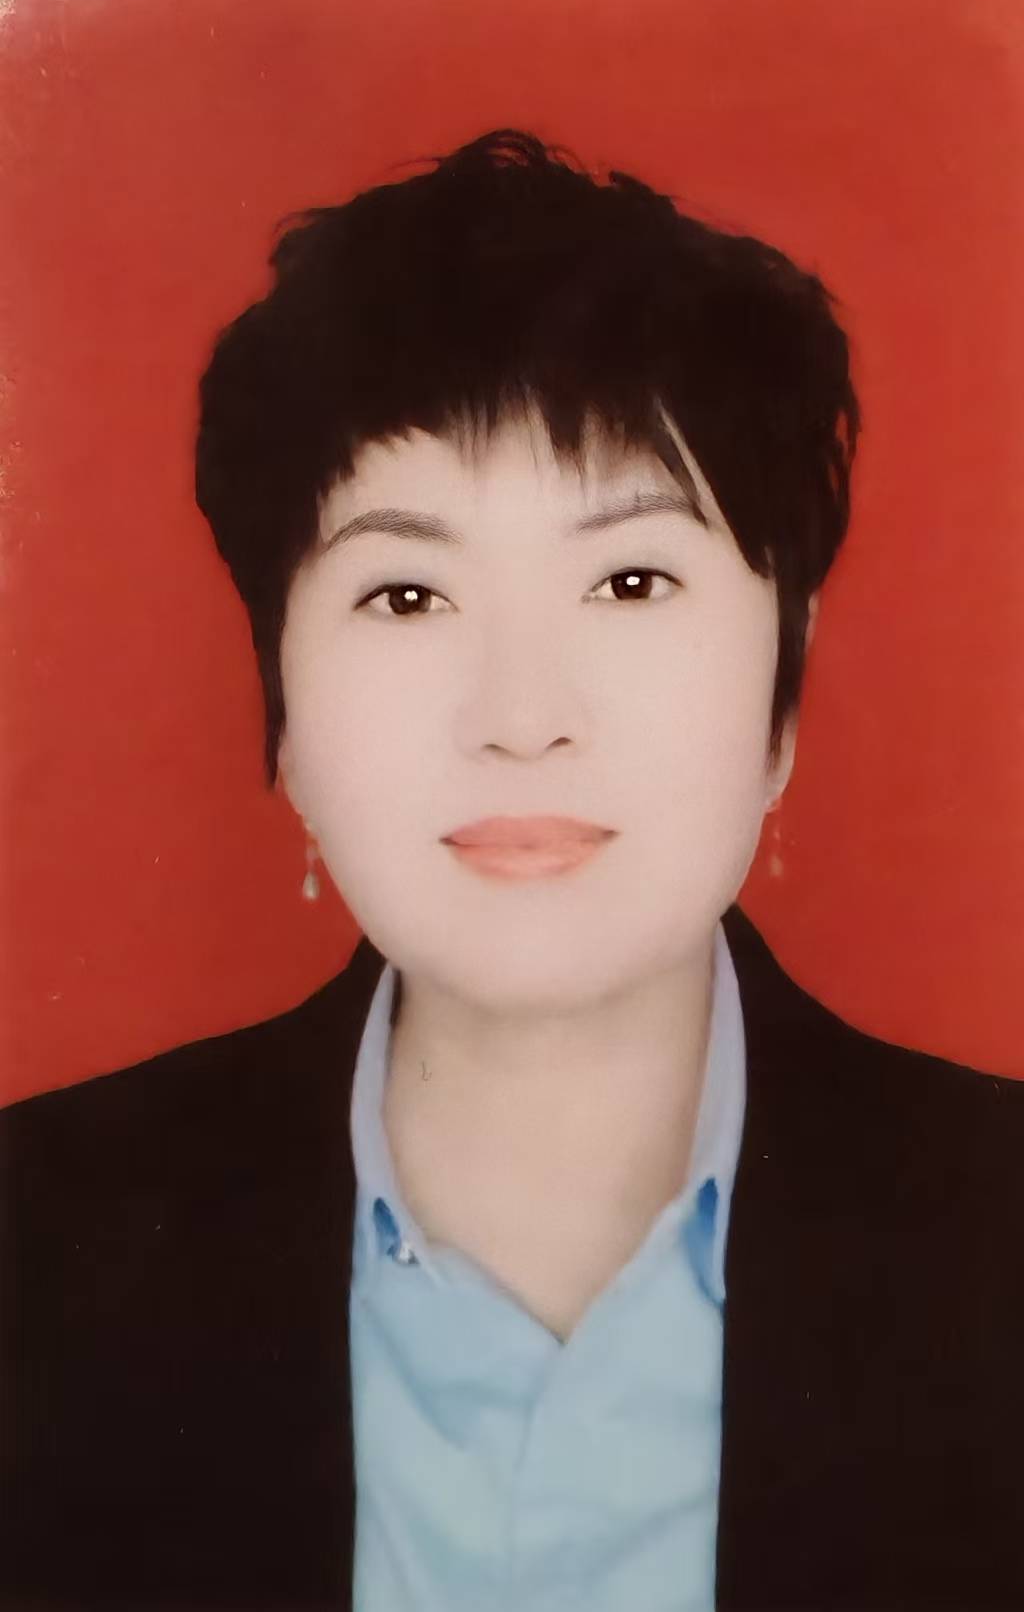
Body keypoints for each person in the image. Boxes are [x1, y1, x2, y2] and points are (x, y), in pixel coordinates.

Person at [2, 130, 1021, 1612]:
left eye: (631, 580)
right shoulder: (35, 1248)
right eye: (407, 592)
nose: (522, 716)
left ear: (782, 702)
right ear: (282, 712)